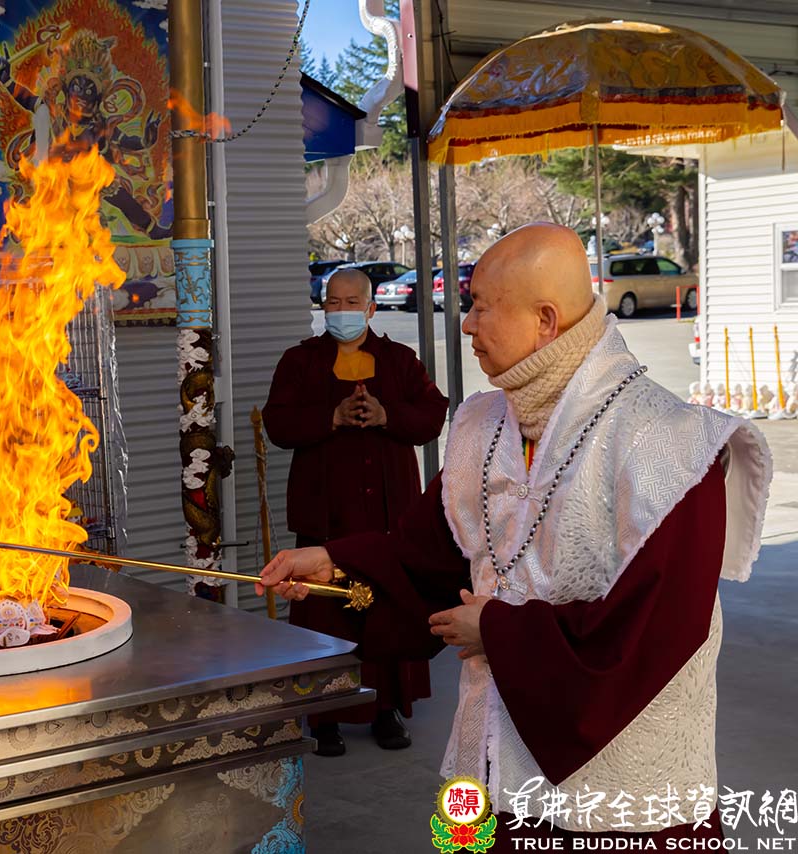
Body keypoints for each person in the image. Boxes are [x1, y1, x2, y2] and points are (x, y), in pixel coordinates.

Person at [258, 223, 770, 845]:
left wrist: (500, 634)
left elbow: (657, 629)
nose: (467, 325)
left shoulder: (671, 441)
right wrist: (334, 562)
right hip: (490, 755)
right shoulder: (483, 422)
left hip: (620, 786)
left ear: (545, 320)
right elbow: (427, 553)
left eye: (480, 306)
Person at [262, 267, 448, 757]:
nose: (341, 311)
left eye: (351, 303)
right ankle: (325, 717)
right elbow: (278, 424)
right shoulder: (301, 361)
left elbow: (432, 415)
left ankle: (386, 709)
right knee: (325, 617)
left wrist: (388, 415)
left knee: (387, 612)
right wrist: (331, 416)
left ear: (370, 308)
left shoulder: (399, 360)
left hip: (387, 515)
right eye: (333, 302)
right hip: (326, 515)